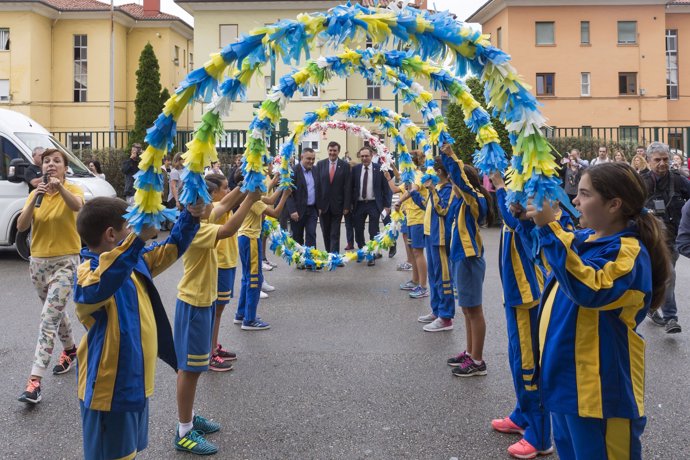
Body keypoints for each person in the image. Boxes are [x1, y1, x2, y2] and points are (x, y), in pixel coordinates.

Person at [526, 162, 670, 460]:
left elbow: (590, 289)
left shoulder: (628, 252)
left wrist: (548, 228)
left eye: (584, 194)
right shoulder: (585, 239)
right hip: (566, 386)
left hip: (600, 394)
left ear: (614, 204)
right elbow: (553, 261)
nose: (575, 201)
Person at [73, 196, 203, 460]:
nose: (135, 232)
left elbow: (172, 247)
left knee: (128, 453)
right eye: (130, 227)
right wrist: (137, 240)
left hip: (134, 383)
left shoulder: (132, 258)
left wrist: (191, 215)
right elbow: (102, 284)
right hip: (109, 392)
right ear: (112, 235)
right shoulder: (89, 272)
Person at [174, 183, 262, 455]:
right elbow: (228, 229)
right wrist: (250, 198)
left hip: (201, 303)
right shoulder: (195, 229)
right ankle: (184, 430)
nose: (216, 203)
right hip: (193, 305)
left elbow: (223, 207)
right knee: (189, 370)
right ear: (196, 207)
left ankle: (187, 417)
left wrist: (245, 186)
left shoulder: (197, 218)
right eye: (208, 200)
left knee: (195, 369)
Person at [489, 172, 553, 459]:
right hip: (515, 296)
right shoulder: (517, 188)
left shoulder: (529, 203)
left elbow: (512, 220)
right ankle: (522, 415)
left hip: (529, 297)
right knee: (517, 359)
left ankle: (540, 436)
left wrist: (501, 188)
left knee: (529, 365)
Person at [16, 148, 84, 404]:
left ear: (65, 168)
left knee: (48, 318)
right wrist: (36, 199)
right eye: (47, 161)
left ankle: (35, 381)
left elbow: (77, 206)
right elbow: (22, 226)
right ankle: (70, 350)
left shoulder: (74, 190)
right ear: (41, 166)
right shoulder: (36, 193)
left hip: (66, 263)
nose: (51, 165)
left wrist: (61, 188)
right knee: (55, 312)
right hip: (38, 264)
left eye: (57, 161)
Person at [440, 144, 492, 377]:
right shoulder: (460, 202)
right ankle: (470, 353)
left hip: (469, 260)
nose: (453, 185)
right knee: (466, 309)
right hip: (460, 259)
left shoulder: (474, 199)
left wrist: (451, 156)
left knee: (474, 309)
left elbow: (462, 182)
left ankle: (478, 360)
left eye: (455, 182)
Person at [641, 141, 690, 334]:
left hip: (673, 238)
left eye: (665, 159)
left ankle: (652, 307)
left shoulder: (679, 180)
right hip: (649, 238)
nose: (662, 163)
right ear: (648, 161)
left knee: (663, 276)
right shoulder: (640, 182)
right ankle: (671, 317)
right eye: (657, 160)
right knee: (668, 275)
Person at [234, 172, 291, 330]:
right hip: (251, 238)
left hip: (247, 237)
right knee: (254, 278)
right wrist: (285, 196)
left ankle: (241, 314)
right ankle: (250, 319)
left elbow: (271, 199)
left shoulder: (252, 196)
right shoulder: (253, 200)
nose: (262, 185)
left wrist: (279, 186)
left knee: (247, 277)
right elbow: (274, 212)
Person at [411, 157, 457, 330]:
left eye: (431, 170)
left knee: (444, 277)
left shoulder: (448, 189)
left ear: (438, 172)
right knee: (434, 276)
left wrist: (432, 190)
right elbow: (427, 207)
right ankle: (436, 310)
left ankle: (446, 317)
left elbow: (442, 209)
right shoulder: (437, 188)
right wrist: (414, 194)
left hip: (441, 238)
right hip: (430, 236)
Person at [205, 174, 242, 372]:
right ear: (214, 193)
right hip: (219, 262)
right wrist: (243, 188)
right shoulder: (213, 209)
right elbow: (230, 201)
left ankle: (213, 347)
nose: (228, 191)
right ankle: (209, 352)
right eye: (225, 188)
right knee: (215, 309)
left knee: (218, 310)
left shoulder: (221, 204)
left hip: (227, 261)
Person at [384, 160, 428, 296]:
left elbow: (413, 190)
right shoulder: (410, 176)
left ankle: (423, 286)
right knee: (413, 251)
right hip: (410, 218)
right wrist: (389, 178)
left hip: (418, 218)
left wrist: (399, 201)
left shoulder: (418, 175)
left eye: (403, 164)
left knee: (418, 252)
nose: (401, 167)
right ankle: (415, 281)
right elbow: (399, 189)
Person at [350, 146, 392, 266]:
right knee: (358, 230)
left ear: (372, 155)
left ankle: (372, 254)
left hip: (374, 204)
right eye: (362, 156)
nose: (364, 158)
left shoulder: (379, 169)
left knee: (373, 230)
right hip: (359, 204)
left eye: (366, 156)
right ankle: (363, 250)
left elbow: (386, 189)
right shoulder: (356, 169)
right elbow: (351, 187)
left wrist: (387, 205)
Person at [315, 141, 351, 254]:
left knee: (335, 232)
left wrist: (346, 206)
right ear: (327, 150)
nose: (332, 153)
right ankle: (328, 252)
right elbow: (317, 186)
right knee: (325, 231)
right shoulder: (320, 164)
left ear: (338, 151)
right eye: (330, 150)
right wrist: (318, 205)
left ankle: (334, 256)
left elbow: (347, 187)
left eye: (334, 150)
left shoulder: (345, 166)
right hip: (323, 206)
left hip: (338, 205)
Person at [287, 148, 319, 249]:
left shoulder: (315, 170)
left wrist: (320, 207)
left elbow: (319, 189)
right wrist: (292, 210)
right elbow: (288, 193)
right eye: (308, 158)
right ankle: (300, 262)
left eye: (313, 159)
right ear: (302, 157)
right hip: (298, 211)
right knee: (297, 237)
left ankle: (311, 261)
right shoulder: (293, 171)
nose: (311, 161)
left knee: (311, 234)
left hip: (312, 210)